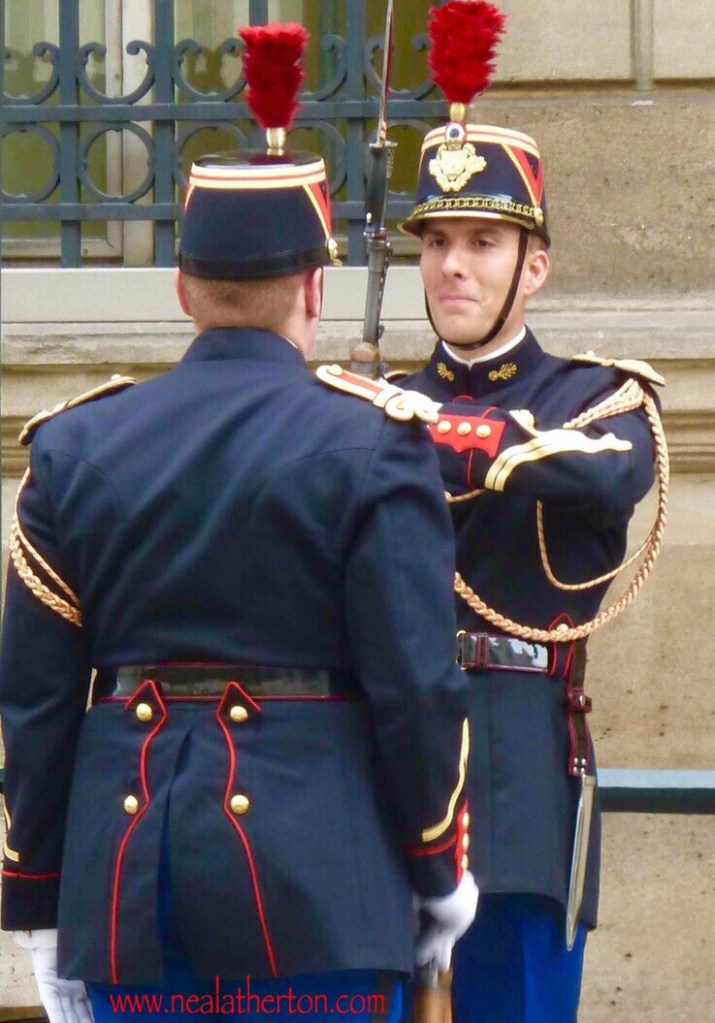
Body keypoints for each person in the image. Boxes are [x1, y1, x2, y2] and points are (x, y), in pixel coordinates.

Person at [0, 22, 478, 1023]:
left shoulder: (74, 449)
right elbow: (415, 683)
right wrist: (438, 869)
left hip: (129, 895)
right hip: (325, 896)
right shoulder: (374, 444)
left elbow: (35, 703)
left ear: (182, 290)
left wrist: (36, 903)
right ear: (314, 288)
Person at [317, 84, 667, 1023]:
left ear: (535, 265)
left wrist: (411, 425)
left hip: (514, 768)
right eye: (434, 242)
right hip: (371, 762)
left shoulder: (599, 399)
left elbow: (603, 479)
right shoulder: (357, 401)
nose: (452, 268)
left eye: (482, 243)